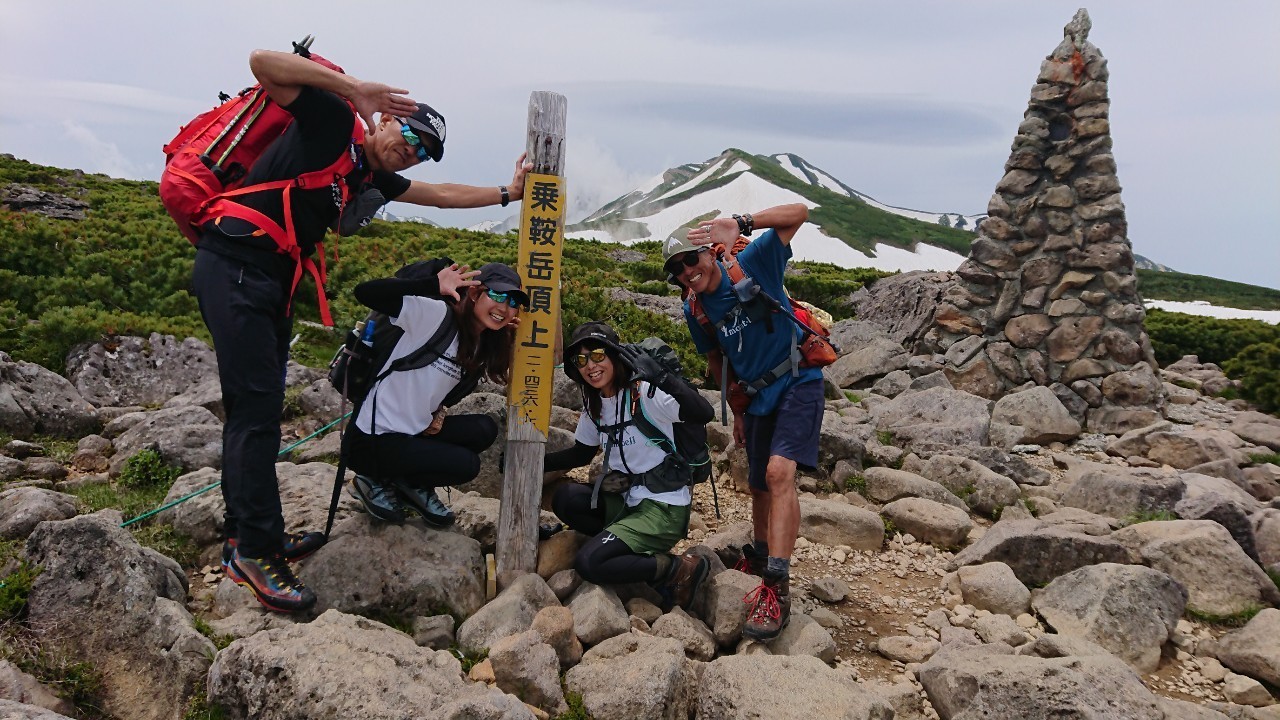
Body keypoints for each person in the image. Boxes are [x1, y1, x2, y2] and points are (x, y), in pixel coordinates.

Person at [198, 48, 530, 614]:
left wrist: (508, 193)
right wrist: (353, 88)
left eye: (424, 149)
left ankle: (249, 536)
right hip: (236, 264)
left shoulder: (367, 176)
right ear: (385, 118)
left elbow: (441, 195)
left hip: (271, 276)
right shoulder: (332, 122)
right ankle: (254, 550)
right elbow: (263, 63)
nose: (413, 149)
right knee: (254, 414)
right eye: (411, 134)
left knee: (259, 411)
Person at [661, 203, 822, 640]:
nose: (687, 272)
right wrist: (736, 410)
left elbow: (799, 213)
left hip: (798, 380)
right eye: (677, 269)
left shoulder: (751, 262)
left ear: (710, 251)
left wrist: (743, 223)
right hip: (755, 397)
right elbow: (718, 358)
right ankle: (761, 554)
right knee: (758, 484)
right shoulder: (695, 309)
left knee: (778, 473)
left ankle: (777, 588)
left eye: (690, 259)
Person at [543, 322, 714, 610]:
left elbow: (703, 412)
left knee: (589, 563)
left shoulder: (646, 393)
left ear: (615, 356)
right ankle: (619, 546)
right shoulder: (595, 404)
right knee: (566, 498)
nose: (590, 366)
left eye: (598, 355)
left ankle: (677, 568)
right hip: (626, 500)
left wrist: (662, 378)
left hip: (662, 508)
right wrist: (531, 462)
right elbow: (581, 454)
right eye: (581, 360)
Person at [346, 260, 524, 527]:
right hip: (372, 437)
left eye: (513, 302)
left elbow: (444, 391)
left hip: (411, 433)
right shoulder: (436, 315)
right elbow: (365, 292)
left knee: (484, 429)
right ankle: (372, 479)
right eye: (497, 295)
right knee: (466, 465)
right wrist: (432, 285)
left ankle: (409, 484)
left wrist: (438, 412)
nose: (504, 307)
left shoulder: (480, 343)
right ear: (474, 293)